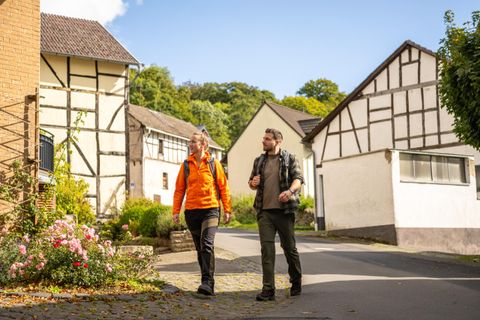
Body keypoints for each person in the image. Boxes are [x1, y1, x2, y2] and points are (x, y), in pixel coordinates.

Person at [173, 131, 232, 296]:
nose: (190, 144)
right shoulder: (186, 165)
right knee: (200, 248)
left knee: (207, 244)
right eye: (190, 141)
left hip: (211, 210)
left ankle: (208, 282)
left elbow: (223, 187)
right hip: (192, 211)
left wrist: (227, 209)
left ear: (203, 145)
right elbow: (179, 190)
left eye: (193, 142)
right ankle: (205, 280)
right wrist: (175, 211)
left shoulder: (214, 163)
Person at [248, 128, 303, 301]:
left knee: (289, 248)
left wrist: (290, 191)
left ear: (277, 142)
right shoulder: (259, 161)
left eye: (267, 139)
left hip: (284, 212)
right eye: (263, 138)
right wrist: (252, 182)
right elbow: (251, 182)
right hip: (264, 212)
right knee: (267, 250)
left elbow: (299, 179)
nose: (263, 141)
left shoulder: (289, 158)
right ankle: (268, 289)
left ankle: (296, 280)